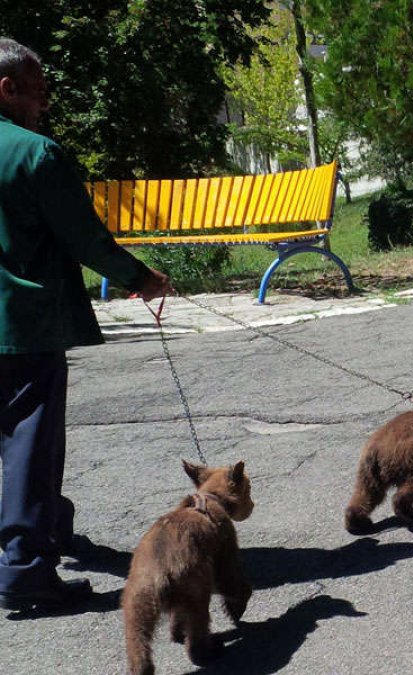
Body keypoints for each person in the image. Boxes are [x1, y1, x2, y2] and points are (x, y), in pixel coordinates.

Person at [0, 38, 172, 612]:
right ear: (8, 89)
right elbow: (84, 238)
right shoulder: (34, 153)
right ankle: (25, 567)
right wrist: (140, 277)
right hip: (22, 324)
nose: (43, 105)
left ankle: (51, 527)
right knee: (30, 440)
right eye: (39, 93)